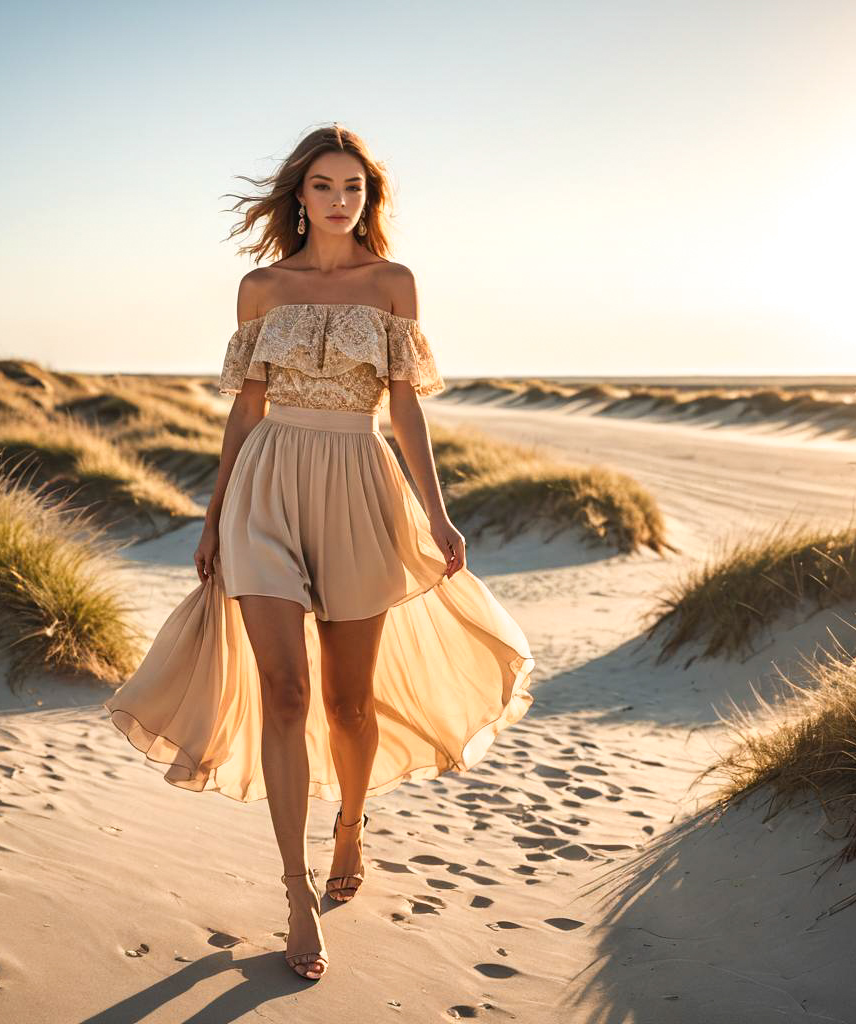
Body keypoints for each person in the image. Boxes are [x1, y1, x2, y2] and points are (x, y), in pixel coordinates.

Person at [104, 123, 535, 981]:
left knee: (348, 701)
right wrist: (214, 511)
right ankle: (297, 891)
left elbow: (406, 410)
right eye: (325, 186)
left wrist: (437, 514)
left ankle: (352, 823)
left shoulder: (394, 284)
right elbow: (246, 406)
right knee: (287, 690)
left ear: (367, 200)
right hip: (266, 487)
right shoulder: (261, 287)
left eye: (354, 189)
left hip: (360, 483)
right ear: (298, 194)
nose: (340, 200)